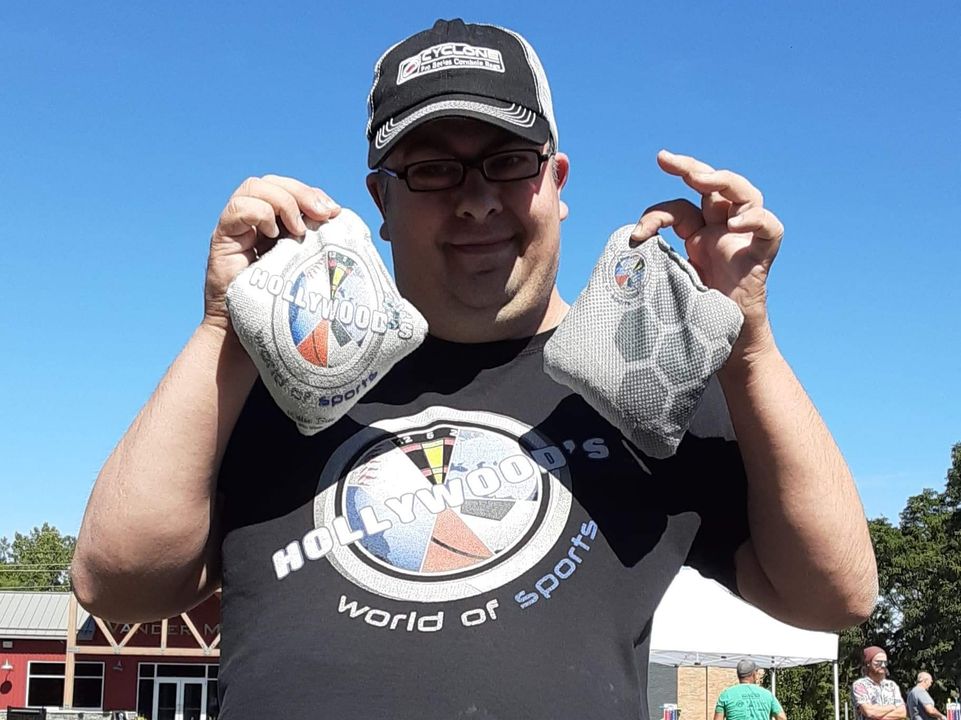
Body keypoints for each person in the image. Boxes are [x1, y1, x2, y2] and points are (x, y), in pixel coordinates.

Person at [72, 17, 879, 720]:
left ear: (555, 182)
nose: (475, 200)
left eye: (507, 161)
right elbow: (118, 584)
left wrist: (746, 341)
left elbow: (833, 596)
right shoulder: (286, 373)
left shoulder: (648, 376)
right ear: (380, 202)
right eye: (431, 169)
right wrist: (224, 326)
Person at [715, 659, 787, 720]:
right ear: (754, 674)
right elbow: (782, 718)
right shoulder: (767, 695)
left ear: (738, 675)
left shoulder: (726, 695)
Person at [853, 646, 907, 720]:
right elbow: (869, 712)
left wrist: (878, 714)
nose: (883, 665)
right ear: (868, 663)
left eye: (885, 662)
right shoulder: (860, 685)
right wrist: (893, 707)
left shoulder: (892, 685)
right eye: (878, 662)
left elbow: (902, 712)